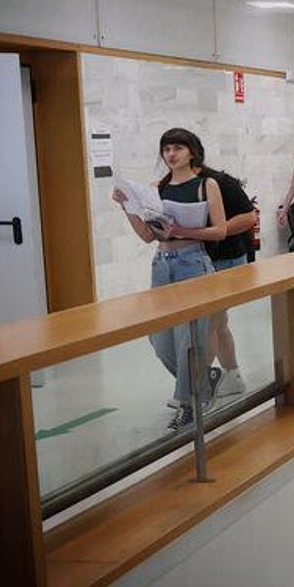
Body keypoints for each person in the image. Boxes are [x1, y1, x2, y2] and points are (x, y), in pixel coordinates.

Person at [112, 128, 229, 429]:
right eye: (166, 149)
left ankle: (188, 405)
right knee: (161, 340)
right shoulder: (157, 188)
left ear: (192, 151)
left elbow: (220, 230)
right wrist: (127, 207)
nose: (171, 154)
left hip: (194, 262)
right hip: (162, 266)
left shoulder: (207, 184)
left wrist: (182, 232)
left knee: (188, 341)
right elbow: (147, 236)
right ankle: (203, 385)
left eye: (177, 148)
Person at [198, 162, 257, 400]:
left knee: (210, 324)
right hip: (200, 263)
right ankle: (232, 375)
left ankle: (197, 386)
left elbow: (249, 217)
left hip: (226, 259)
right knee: (218, 322)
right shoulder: (174, 186)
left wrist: (216, 230)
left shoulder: (221, 183)